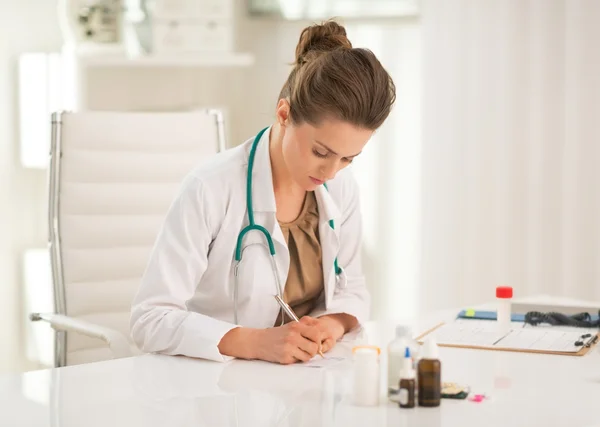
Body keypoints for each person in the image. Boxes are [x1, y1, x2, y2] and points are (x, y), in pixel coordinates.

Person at [130, 20, 396, 364]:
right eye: (320, 152)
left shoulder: (340, 189)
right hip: (220, 389)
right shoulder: (210, 188)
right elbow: (149, 320)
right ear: (284, 114)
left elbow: (353, 289)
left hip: (305, 378)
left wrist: (330, 325)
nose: (330, 172)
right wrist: (255, 343)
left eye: (348, 158)